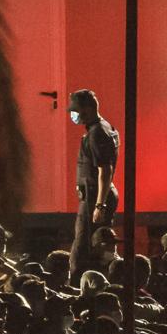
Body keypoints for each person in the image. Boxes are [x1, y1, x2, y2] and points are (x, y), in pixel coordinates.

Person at [68, 89, 120, 275]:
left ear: (87, 109)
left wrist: (99, 204)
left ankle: (80, 288)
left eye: (75, 110)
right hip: (96, 195)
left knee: (82, 250)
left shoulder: (97, 133)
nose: (73, 115)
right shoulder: (105, 127)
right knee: (96, 246)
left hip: (94, 197)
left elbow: (105, 170)